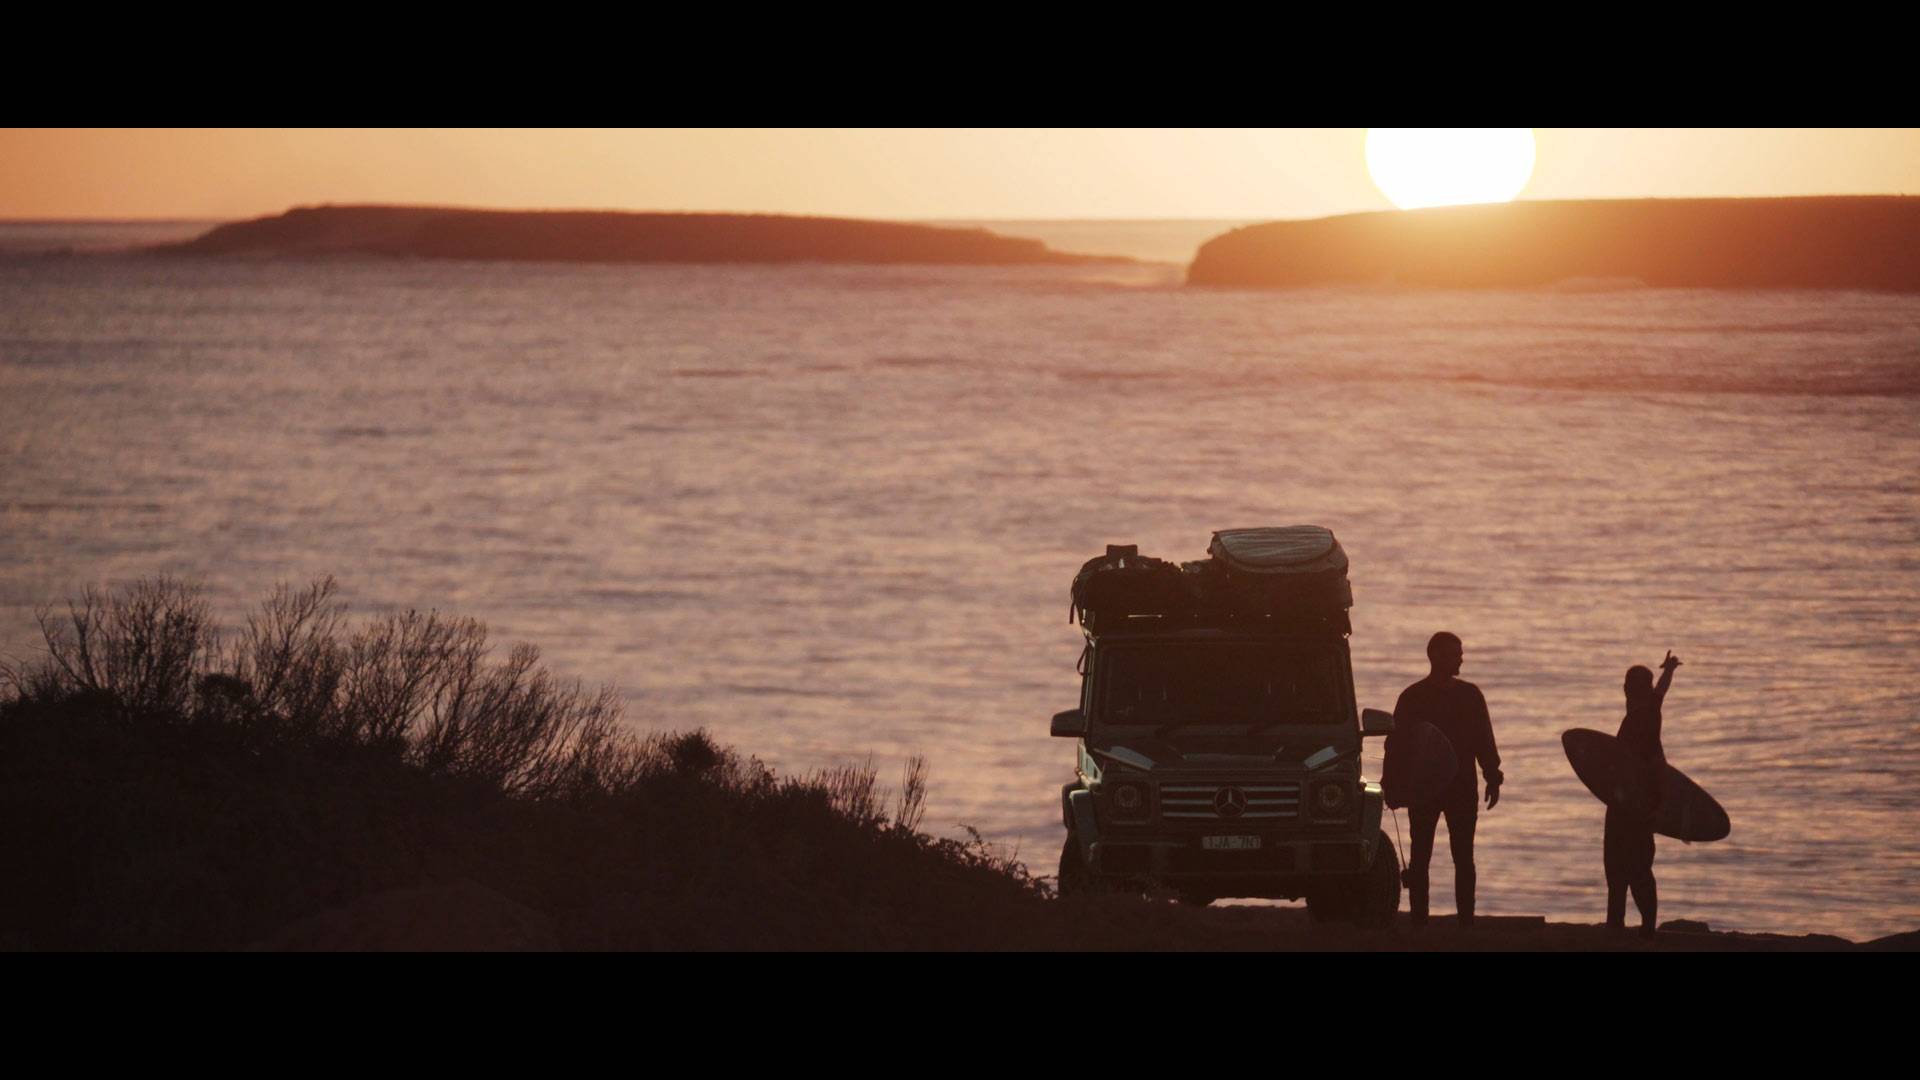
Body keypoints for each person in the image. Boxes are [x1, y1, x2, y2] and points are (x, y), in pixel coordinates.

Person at [1393, 631, 1502, 928]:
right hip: (1424, 788)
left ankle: (1466, 921)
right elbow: (1398, 746)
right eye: (1455, 654)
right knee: (1420, 855)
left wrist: (1492, 775)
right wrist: (1392, 785)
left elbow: (1483, 739)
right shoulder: (1413, 697)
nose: (1461, 659)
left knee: (1464, 856)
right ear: (1437, 656)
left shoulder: (1470, 695)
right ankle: (1419, 921)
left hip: (1462, 787)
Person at [1607, 650, 1680, 936]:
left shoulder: (1646, 719)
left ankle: (1646, 929)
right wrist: (1670, 671)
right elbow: (1661, 692)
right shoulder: (1639, 710)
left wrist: (1659, 807)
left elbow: (1657, 765)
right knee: (1616, 870)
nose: (1628, 694)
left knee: (1635, 871)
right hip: (1620, 804)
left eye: (1633, 689)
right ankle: (1617, 926)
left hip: (1637, 808)